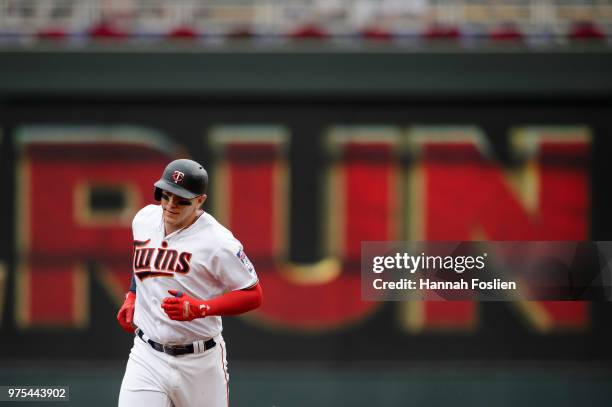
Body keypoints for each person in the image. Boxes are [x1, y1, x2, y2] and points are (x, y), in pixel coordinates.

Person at [116, 158, 263, 407]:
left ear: (200, 200)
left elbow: (253, 294)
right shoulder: (143, 220)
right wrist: (132, 295)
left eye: (182, 200)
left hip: (200, 361)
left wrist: (200, 308)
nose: (171, 205)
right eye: (166, 195)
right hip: (146, 355)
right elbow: (144, 255)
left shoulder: (219, 242)